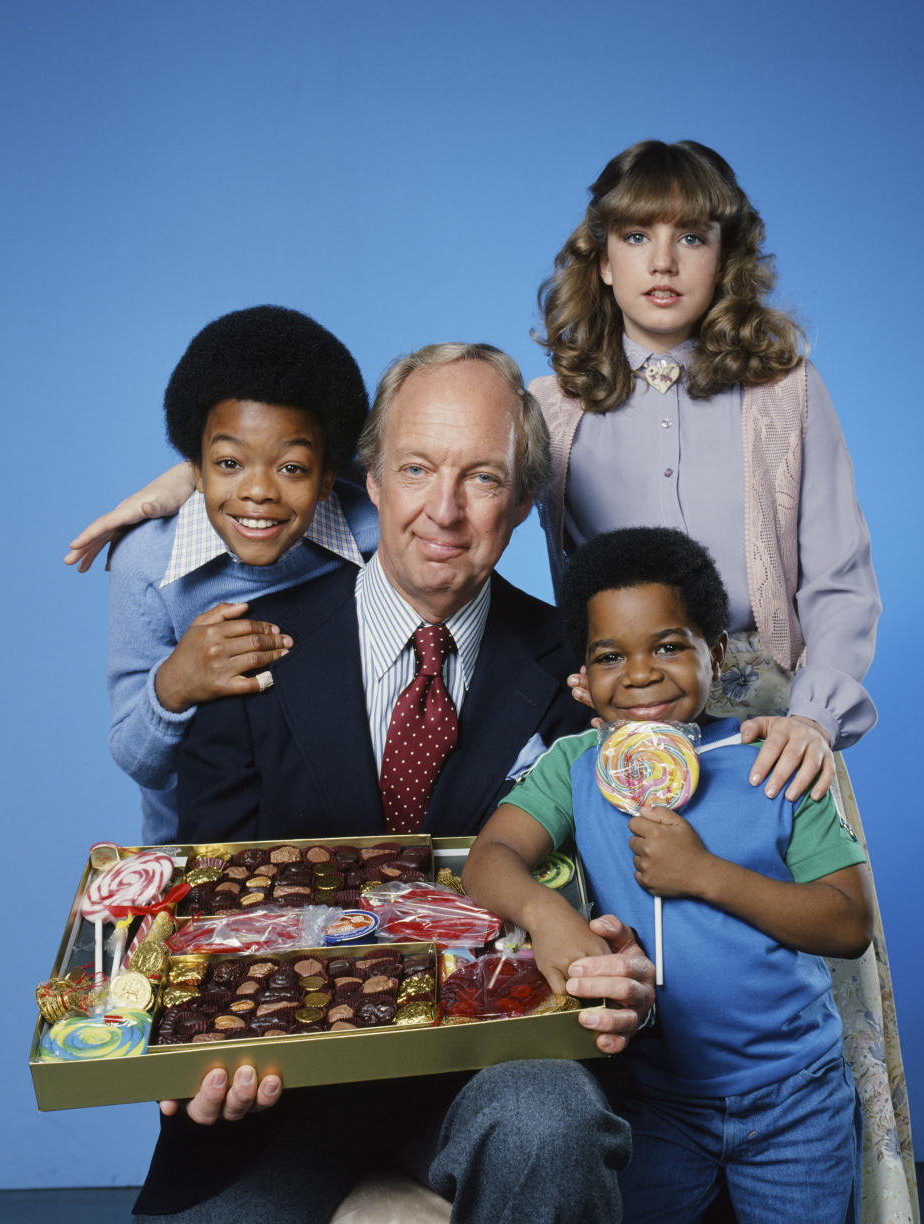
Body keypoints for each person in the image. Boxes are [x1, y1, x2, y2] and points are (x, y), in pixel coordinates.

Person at [131, 344, 652, 1222]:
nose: (443, 511)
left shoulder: (579, 670)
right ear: (371, 479)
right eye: (417, 468)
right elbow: (206, 901)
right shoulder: (244, 652)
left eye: (482, 478)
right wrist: (191, 1053)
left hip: (488, 1065)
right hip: (279, 1082)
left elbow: (615, 884)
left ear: (523, 504)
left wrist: (626, 955)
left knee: (551, 1125)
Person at [533, 140, 915, 1221]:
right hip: (624, 729)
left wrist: (814, 721)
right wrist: (201, 468)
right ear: (597, 256)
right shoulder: (547, 405)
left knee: (799, 990)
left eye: (691, 236)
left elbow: (839, 579)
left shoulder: (785, 387)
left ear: (725, 254)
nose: (663, 260)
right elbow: (427, 479)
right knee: (650, 977)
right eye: (636, 234)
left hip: (767, 723)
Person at [464, 526, 874, 1223]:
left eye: (668, 645)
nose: (641, 674)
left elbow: (849, 923)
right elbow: (488, 859)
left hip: (793, 1096)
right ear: (584, 678)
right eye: (608, 656)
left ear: (714, 651)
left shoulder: (771, 761)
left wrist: (705, 873)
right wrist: (548, 916)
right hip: (652, 1102)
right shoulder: (578, 766)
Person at [104, 305, 379, 844]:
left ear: (327, 478)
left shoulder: (375, 536)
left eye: (291, 468)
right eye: (230, 464)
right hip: (196, 845)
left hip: (338, 839)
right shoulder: (148, 565)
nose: (258, 492)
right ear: (196, 469)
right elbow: (139, 761)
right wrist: (173, 685)